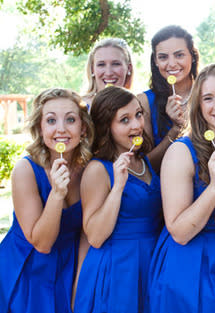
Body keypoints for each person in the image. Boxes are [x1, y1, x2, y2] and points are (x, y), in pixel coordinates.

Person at [147, 63, 215, 313]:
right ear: (199, 105)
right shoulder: (182, 152)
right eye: (208, 98)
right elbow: (180, 231)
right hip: (192, 264)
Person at [0, 88, 93, 313]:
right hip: (29, 268)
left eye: (70, 119)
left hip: (70, 266)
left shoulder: (90, 169)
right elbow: (42, 244)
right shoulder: (26, 170)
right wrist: (56, 194)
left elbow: (87, 234)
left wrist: (79, 281)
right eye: (51, 120)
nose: (61, 128)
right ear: (40, 129)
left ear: (82, 128)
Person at [74, 86, 162, 313]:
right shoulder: (97, 170)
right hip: (117, 271)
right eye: (125, 120)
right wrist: (118, 186)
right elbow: (94, 236)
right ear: (107, 127)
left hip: (151, 263)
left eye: (139, 114)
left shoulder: (144, 162)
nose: (137, 124)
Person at [137, 25, 199, 172]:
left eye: (179, 55)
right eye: (163, 57)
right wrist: (175, 129)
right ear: (155, 61)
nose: (171, 64)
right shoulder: (144, 101)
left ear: (193, 56)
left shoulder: (208, 93)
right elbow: (145, 167)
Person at [82, 38, 134, 105]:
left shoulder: (139, 106)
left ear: (128, 68)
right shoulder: (80, 107)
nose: (108, 73)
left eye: (116, 64)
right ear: (92, 69)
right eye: (101, 64)